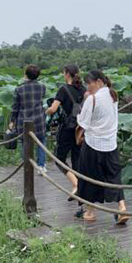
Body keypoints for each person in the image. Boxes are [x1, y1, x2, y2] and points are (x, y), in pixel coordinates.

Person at [76, 69, 128, 224]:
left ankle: (90, 212)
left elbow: (83, 122)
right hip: (111, 143)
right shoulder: (113, 95)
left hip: (93, 143)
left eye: (89, 83)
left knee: (89, 177)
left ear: (99, 82)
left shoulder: (92, 99)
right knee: (114, 177)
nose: (87, 87)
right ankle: (122, 208)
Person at [46, 65, 85, 212]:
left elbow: (53, 109)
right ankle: (81, 203)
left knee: (59, 158)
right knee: (77, 160)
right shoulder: (84, 89)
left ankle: (76, 184)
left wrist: (47, 110)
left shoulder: (63, 89)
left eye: (63, 73)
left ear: (67, 74)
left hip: (67, 129)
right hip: (81, 129)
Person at [9, 64, 47, 174]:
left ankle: (28, 164)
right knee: (41, 141)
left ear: (26, 74)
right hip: (39, 119)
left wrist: (12, 121)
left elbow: (15, 107)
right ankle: (41, 166)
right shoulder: (42, 87)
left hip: (24, 120)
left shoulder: (19, 88)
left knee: (24, 142)